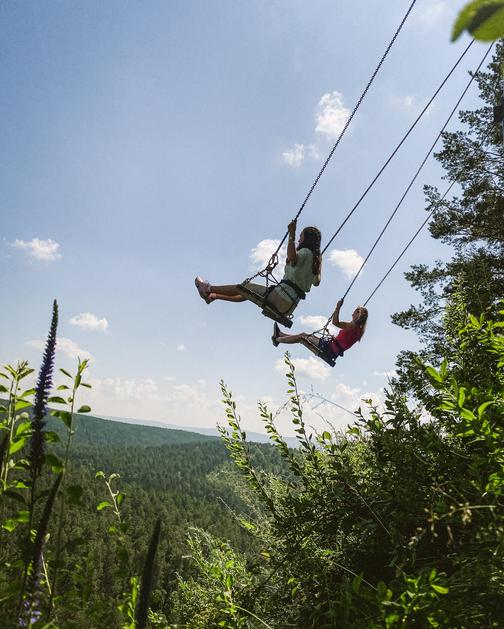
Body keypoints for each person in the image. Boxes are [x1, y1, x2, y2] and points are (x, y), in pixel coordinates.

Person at [195, 220, 322, 318]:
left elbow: (292, 257)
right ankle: (215, 296)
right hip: (289, 306)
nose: (299, 239)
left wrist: (292, 235)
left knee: (243, 287)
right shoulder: (314, 263)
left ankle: (208, 289)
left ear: (307, 239)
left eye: (301, 237)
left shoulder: (305, 252)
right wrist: (319, 260)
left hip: (280, 297)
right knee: (247, 294)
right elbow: (317, 282)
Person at [272, 300, 368, 364]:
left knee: (301, 337)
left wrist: (338, 307)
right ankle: (281, 335)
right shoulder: (359, 330)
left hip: (328, 348)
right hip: (331, 349)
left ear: (358, 315)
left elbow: (335, 322)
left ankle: (278, 339)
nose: (353, 312)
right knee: (304, 335)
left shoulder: (352, 326)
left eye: (355, 311)